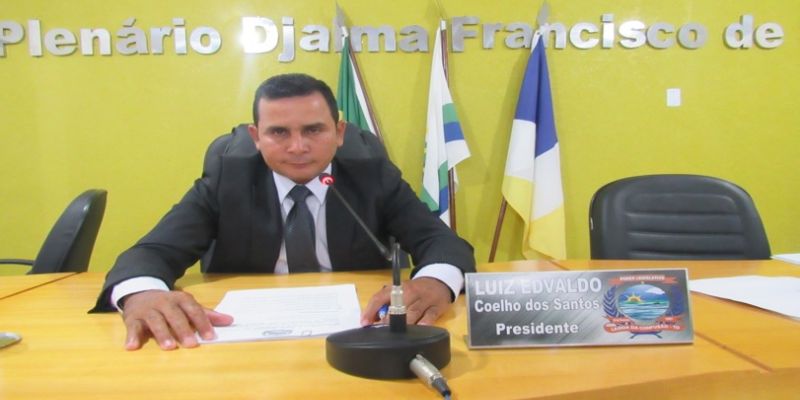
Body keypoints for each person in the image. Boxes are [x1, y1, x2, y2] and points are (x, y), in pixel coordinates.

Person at [92, 73, 476, 351]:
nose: (297, 147)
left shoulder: (371, 173)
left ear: (339, 132)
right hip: (243, 342)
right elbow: (151, 252)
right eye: (279, 132)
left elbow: (442, 242)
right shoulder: (228, 177)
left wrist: (435, 282)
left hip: (357, 335)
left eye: (313, 130)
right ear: (256, 137)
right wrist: (142, 293)